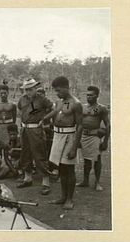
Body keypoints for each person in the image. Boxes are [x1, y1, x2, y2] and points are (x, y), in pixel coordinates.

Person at [44, 76, 83, 210]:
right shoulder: (60, 101)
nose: (57, 93)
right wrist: (44, 118)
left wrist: (74, 147)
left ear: (66, 88)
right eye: (56, 91)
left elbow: (80, 126)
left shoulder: (76, 103)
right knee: (61, 168)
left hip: (69, 136)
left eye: (59, 90)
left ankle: (70, 199)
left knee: (69, 169)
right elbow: (55, 112)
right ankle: (63, 196)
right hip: (57, 135)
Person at [17, 78, 55, 195]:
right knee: (25, 154)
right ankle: (27, 178)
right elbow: (20, 111)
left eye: (31, 89)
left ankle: (45, 183)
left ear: (35, 88)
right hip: (25, 129)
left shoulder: (41, 99)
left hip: (36, 130)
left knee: (39, 154)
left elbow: (54, 108)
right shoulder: (22, 99)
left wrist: (44, 119)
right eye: (26, 89)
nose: (28, 91)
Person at [77, 86, 110, 191]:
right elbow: (78, 123)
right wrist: (77, 139)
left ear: (97, 96)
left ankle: (97, 182)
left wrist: (105, 141)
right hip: (84, 136)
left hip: (95, 136)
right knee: (86, 160)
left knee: (97, 159)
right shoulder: (82, 107)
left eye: (91, 95)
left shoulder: (102, 108)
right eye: (87, 95)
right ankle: (85, 181)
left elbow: (107, 124)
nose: (88, 97)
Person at [36, 87, 55, 159]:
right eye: (37, 95)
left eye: (41, 95)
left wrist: (51, 125)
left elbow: (54, 113)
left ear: (44, 95)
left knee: (48, 146)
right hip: (38, 128)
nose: (39, 97)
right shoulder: (35, 104)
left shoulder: (49, 104)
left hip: (47, 127)